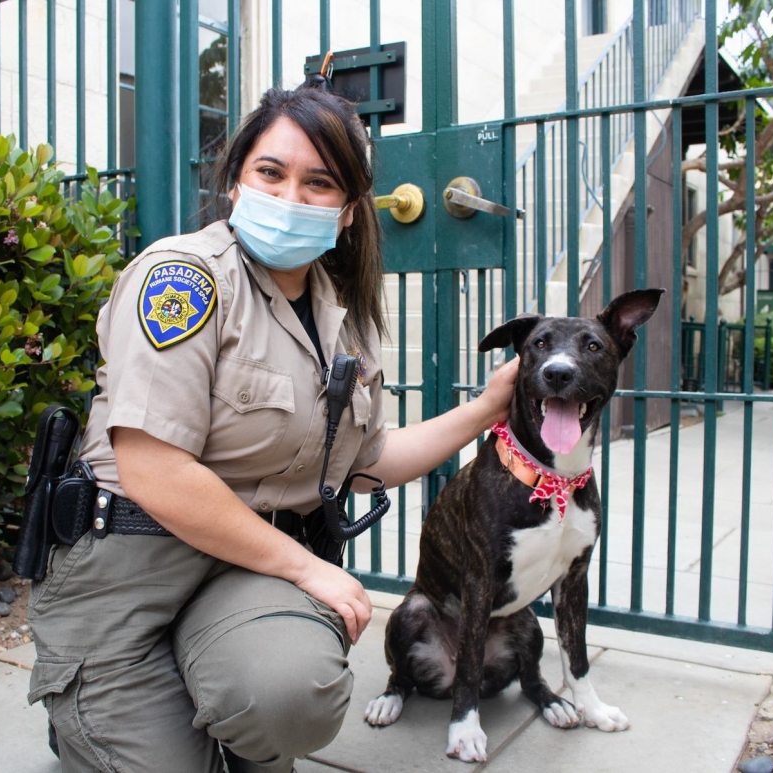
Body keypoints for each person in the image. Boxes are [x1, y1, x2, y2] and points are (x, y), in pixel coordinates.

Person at [26, 80, 519, 773]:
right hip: (128, 571)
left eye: (319, 183)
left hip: (239, 569)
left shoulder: (338, 314)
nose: (290, 197)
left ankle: (217, 700)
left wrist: (490, 407)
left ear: (349, 212)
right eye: (270, 171)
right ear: (234, 183)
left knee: (292, 692)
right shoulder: (184, 279)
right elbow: (153, 468)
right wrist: (307, 567)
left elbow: (368, 457)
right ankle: (107, 711)